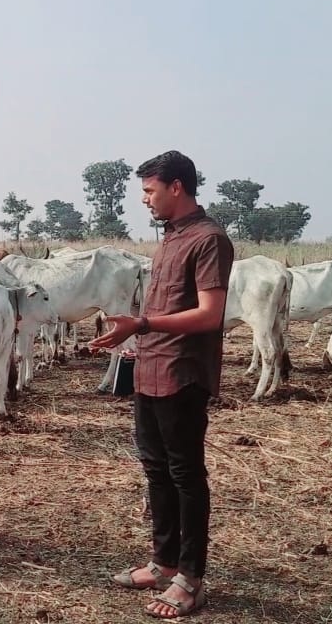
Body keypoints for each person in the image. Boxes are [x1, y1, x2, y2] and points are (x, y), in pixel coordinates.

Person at [90, 150, 232, 619]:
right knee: (156, 469)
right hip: (150, 368)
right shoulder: (170, 237)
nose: (146, 200)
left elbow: (211, 314)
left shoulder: (209, 239)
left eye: (150, 191)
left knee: (186, 475)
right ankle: (164, 561)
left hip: (182, 374)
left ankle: (192, 578)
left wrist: (143, 323)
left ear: (177, 187)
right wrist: (137, 337)